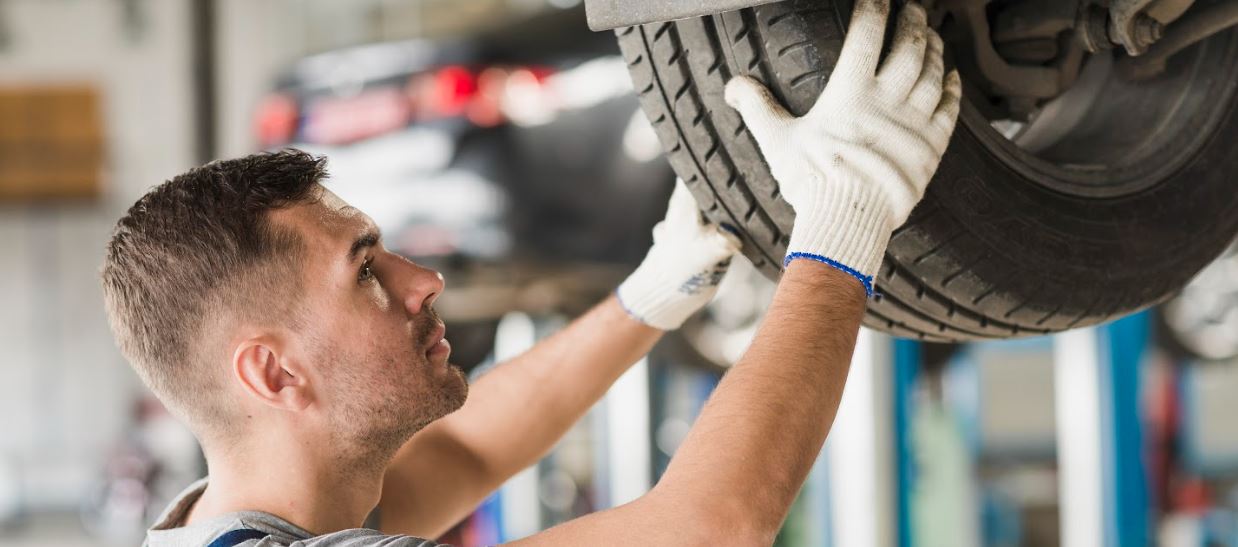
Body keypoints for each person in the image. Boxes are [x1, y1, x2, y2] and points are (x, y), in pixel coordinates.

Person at [101, 0, 960, 545]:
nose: (423, 278)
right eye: (365, 272)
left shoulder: (243, 525)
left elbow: (468, 451)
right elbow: (706, 528)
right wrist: (844, 223)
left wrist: (650, 294)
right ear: (273, 371)